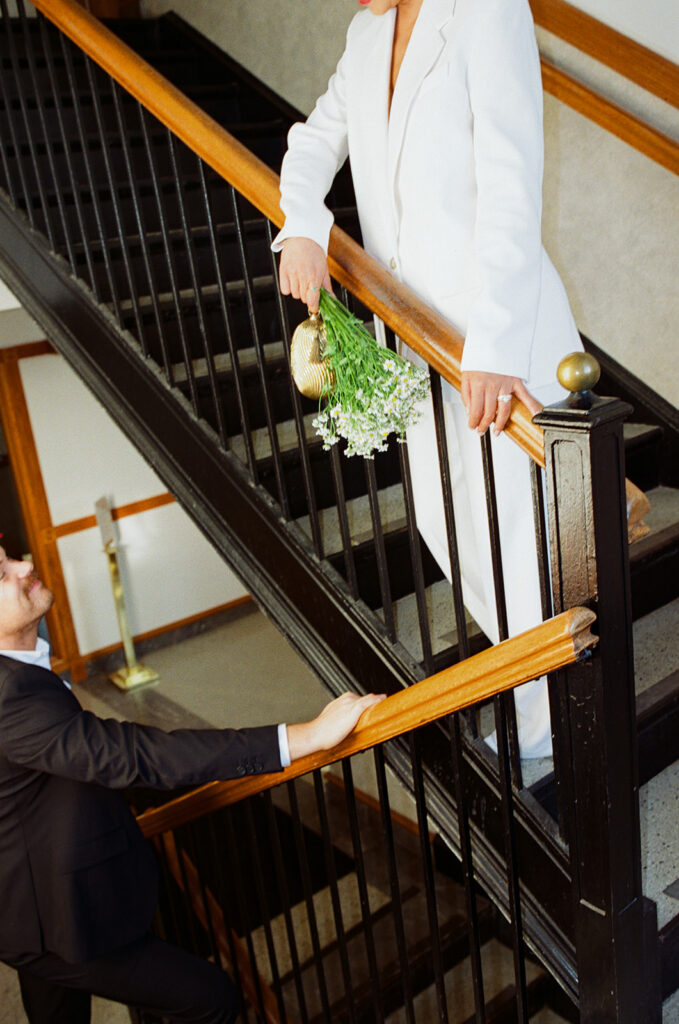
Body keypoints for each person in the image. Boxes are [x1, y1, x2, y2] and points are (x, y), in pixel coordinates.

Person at [272, 0, 583, 757]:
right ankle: (531, 692)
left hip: (495, 339)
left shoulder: (485, 10)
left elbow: (514, 180)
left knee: (517, 534)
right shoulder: (365, 32)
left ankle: (551, 725)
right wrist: (305, 226)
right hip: (412, 340)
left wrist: (495, 343)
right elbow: (312, 142)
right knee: (450, 529)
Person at [0, 543, 384, 1023]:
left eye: (9, 555)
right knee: (209, 997)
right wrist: (302, 737)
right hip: (45, 918)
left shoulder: (18, 669)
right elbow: (135, 754)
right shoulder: (7, 695)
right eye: (3, 572)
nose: (25, 565)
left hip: (29, 891)